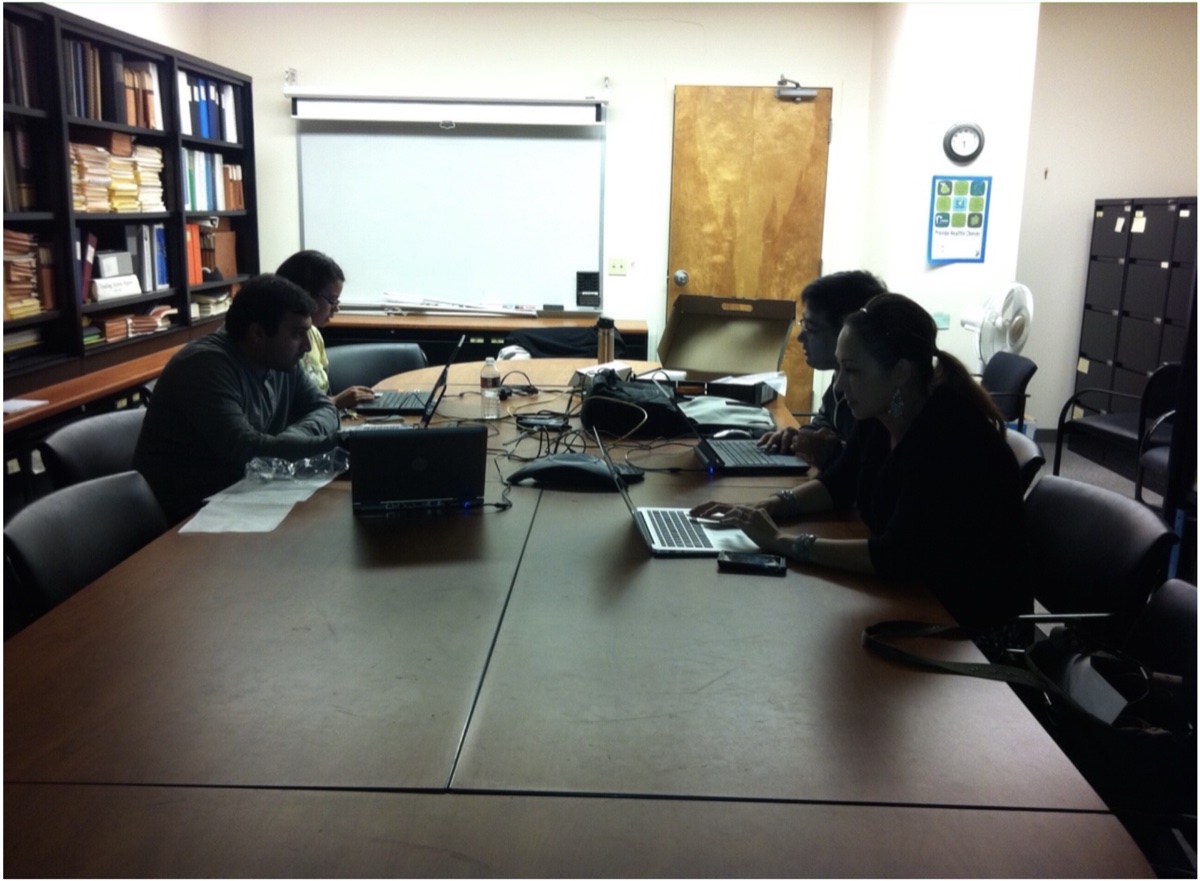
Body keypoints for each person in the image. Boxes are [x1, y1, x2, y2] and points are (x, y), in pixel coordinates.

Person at [691, 292, 1029, 629]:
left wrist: (784, 543)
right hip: (913, 599)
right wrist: (765, 508)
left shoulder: (948, 437)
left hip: (970, 629)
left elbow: (895, 557)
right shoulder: (882, 415)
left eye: (851, 370)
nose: (838, 385)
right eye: (839, 368)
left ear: (900, 372)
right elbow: (837, 484)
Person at [134, 273, 342, 523]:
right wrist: (340, 444)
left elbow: (325, 408)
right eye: (298, 333)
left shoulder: (281, 360)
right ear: (258, 333)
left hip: (242, 499)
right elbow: (246, 451)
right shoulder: (204, 366)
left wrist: (287, 440)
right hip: (185, 519)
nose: (307, 346)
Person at [757, 270, 886, 469]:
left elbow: (868, 469)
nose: (800, 338)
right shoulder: (840, 380)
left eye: (811, 327)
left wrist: (833, 452)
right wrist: (798, 435)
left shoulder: (876, 396)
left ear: (847, 331)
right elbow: (825, 423)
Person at [275, 249, 376, 409]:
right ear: (306, 294)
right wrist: (335, 402)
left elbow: (321, 395)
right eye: (332, 300)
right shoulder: (280, 344)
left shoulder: (314, 334)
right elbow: (292, 408)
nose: (336, 309)